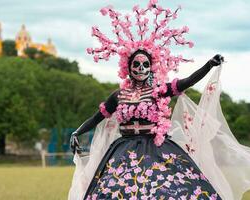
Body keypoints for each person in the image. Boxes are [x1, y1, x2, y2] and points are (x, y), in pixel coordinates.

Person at [68, 1, 250, 199]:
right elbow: (97, 118)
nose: (140, 68)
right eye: (136, 64)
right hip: (123, 151)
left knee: (169, 190)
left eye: (145, 64)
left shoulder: (159, 91)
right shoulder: (118, 96)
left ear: (151, 66)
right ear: (128, 67)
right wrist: (77, 131)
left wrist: (208, 65)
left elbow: (187, 81)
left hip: (156, 148)